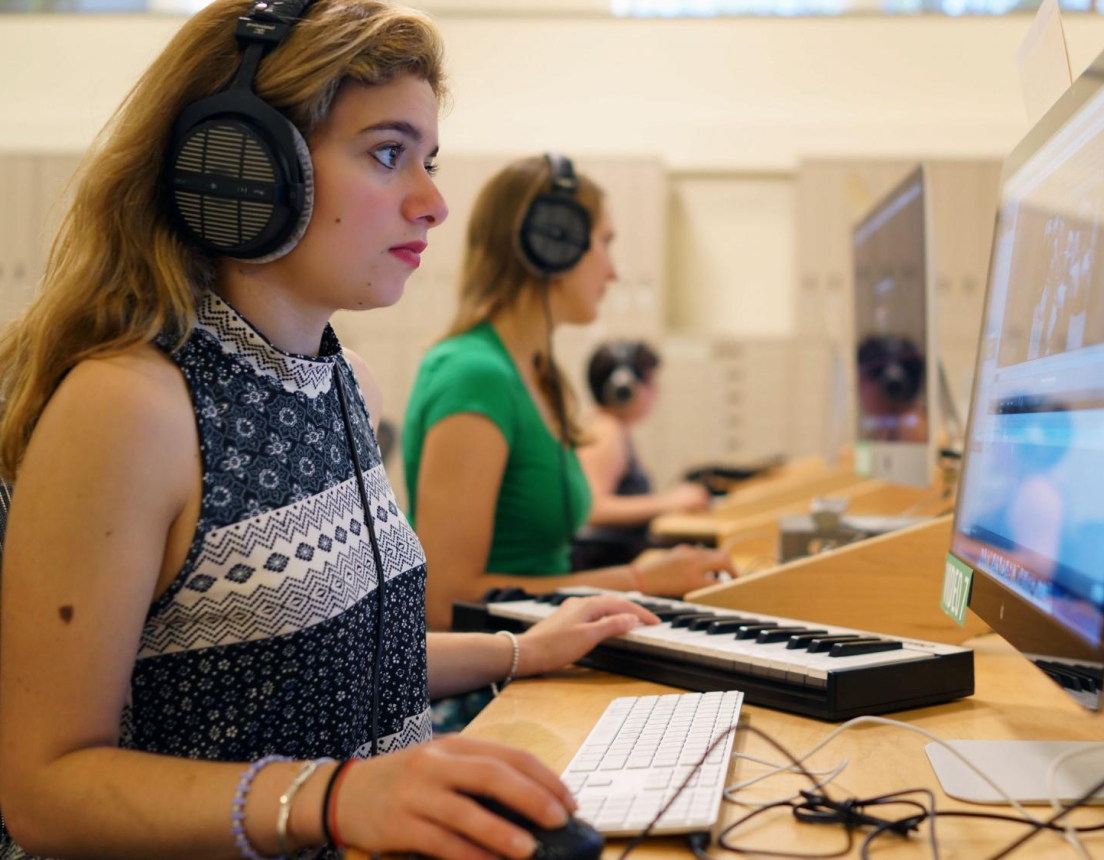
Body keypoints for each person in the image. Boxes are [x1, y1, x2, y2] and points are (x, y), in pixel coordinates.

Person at [0, 2, 659, 857]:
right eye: (389, 155)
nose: (432, 203)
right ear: (243, 169)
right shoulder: (131, 409)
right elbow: (46, 791)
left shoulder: (339, 382)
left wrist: (517, 651)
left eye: (428, 160)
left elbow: (337, 663)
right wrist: (340, 800)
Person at [403, 156, 736, 631]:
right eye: (604, 243)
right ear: (552, 243)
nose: (614, 272)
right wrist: (638, 578)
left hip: (538, 651)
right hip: (494, 683)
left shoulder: (538, 372)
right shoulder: (474, 375)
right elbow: (445, 602)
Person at [571, 341, 710, 570]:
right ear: (624, 390)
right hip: (606, 562)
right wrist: (669, 501)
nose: (655, 393)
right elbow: (592, 508)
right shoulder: (606, 432)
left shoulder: (608, 426)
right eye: (650, 384)